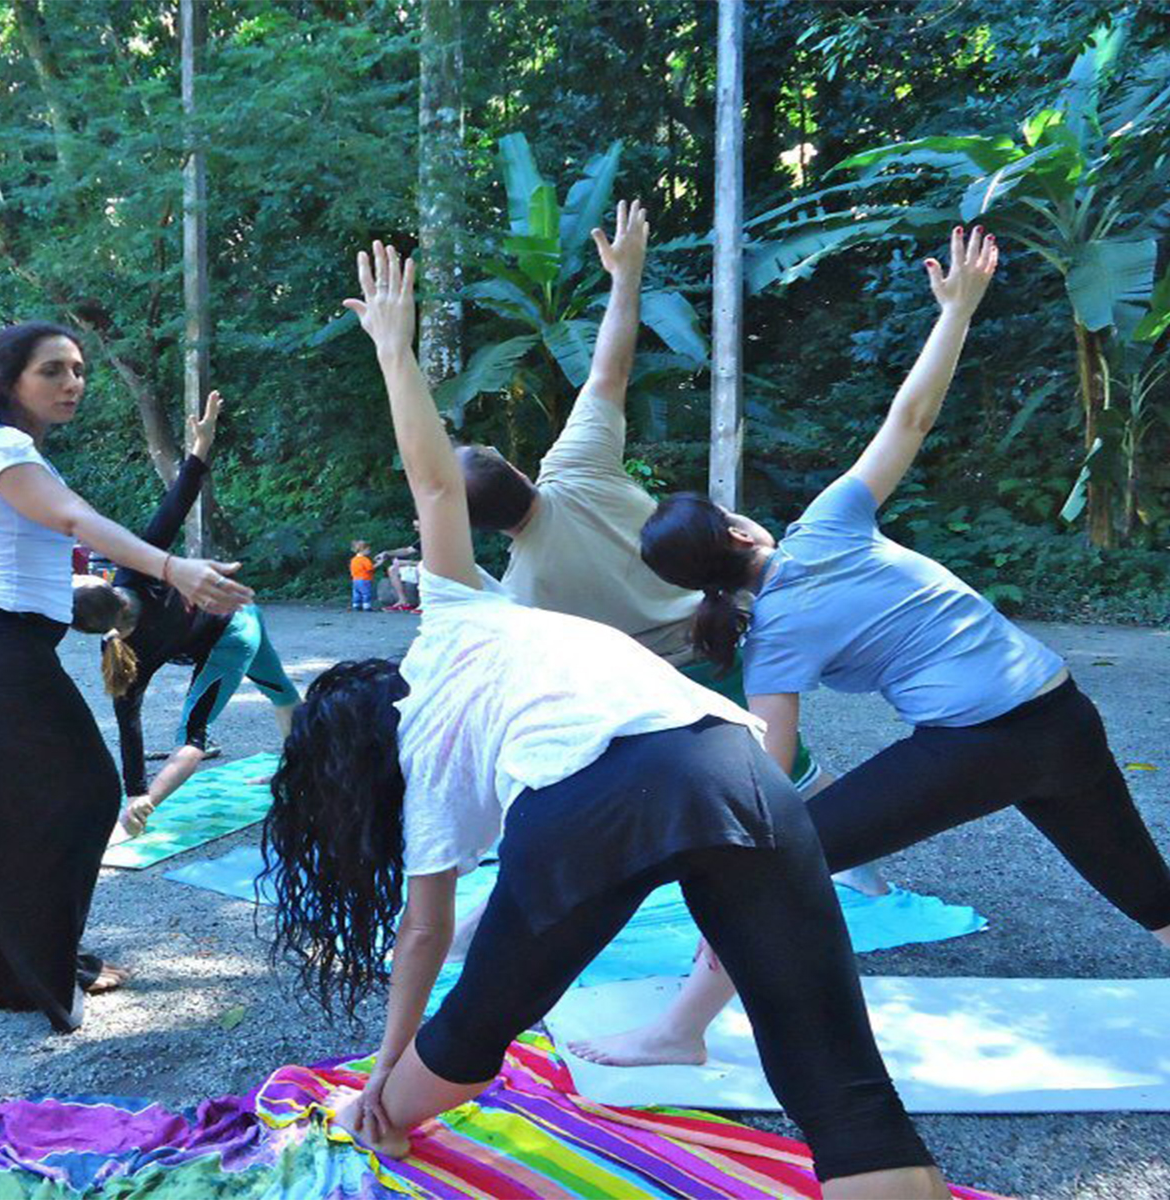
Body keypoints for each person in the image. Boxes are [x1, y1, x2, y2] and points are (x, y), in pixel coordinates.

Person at [260, 242, 946, 1199]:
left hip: (601, 785)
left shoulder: (423, 745)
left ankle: (374, 1120)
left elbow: (426, 941)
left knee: (466, 1036)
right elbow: (432, 485)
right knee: (842, 1091)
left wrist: (383, 1074)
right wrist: (392, 347)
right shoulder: (470, 612)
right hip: (736, 764)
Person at [577, 227, 1170, 1078]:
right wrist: (956, 311)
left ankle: (677, 1031)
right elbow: (910, 417)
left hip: (980, 744)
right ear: (738, 531)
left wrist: (719, 837)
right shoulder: (829, 525)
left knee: (772, 865)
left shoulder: (769, 636)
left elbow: (771, 766)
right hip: (1062, 714)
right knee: (1155, 895)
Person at [452, 199, 885, 893]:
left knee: (674, 797)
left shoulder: (525, 589)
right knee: (792, 774)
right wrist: (626, 276)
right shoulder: (580, 464)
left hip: (653, 695)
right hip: (725, 639)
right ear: (512, 463)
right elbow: (608, 369)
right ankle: (863, 876)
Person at [0, 319, 252, 1032]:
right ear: (9, 380)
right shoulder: (1, 446)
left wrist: (189, 477)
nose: (72, 383)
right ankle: (35, 969)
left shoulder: (9, 449)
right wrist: (173, 569)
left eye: (77, 370)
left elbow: (61, 538)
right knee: (78, 795)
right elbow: (70, 519)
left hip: (1, 647)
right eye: (53, 370)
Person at [67, 391, 302, 839]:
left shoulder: (117, 647)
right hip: (239, 619)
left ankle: (149, 807)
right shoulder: (134, 571)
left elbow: (128, 725)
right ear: (102, 585)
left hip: (231, 633)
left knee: (194, 734)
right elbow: (173, 506)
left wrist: (138, 793)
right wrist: (200, 445)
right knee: (281, 694)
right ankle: (300, 775)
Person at [347, 540, 375, 611]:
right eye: (368, 549)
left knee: (356, 593)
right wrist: (379, 563)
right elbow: (370, 568)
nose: (369, 551)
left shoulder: (353, 560)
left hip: (355, 579)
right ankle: (366, 606)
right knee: (366, 593)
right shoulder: (365, 559)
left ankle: (356, 605)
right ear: (363, 550)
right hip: (365, 579)